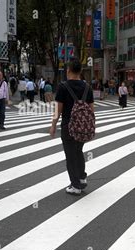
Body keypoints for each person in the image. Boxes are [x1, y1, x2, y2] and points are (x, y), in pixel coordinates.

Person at [49, 59, 95, 195]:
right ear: (80, 71)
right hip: (83, 127)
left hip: (68, 127)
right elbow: (92, 110)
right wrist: (92, 126)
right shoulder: (87, 87)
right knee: (78, 152)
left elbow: (58, 110)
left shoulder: (63, 87)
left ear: (68, 70)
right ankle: (81, 178)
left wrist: (53, 126)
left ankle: (75, 186)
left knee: (70, 156)